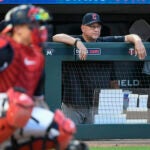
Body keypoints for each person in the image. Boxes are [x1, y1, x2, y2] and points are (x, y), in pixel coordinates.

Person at [0, 5, 89, 150]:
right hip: (7, 106)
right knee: (19, 102)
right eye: (32, 25)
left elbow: (38, 102)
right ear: (17, 29)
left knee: (63, 129)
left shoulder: (36, 58)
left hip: (18, 110)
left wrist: (49, 127)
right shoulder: (4, 48)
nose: (39, 29)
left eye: (39, 25)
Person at [52, 12, 147, 124]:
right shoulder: (74, 41)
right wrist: (77, 43)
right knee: (69, 138)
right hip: (72, 106)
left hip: (96, 106)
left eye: (98, 26)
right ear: (83, 28)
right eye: (92, 26)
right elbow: (56, 37)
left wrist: (138, 41)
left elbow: (129, 37)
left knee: (95, 139)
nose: (96, 29)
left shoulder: (105, 42)